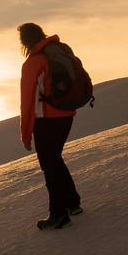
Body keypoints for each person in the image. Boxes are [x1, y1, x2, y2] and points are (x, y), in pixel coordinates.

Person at [19, 22, 83, 230]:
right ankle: (72, 203)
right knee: (55, 158)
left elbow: (28, 101)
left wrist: (26, 133)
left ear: (25, 41)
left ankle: (58, 214)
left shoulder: (33, 63)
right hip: (67, 113)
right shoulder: (61, 50)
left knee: (49, 164)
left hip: (47, 119)